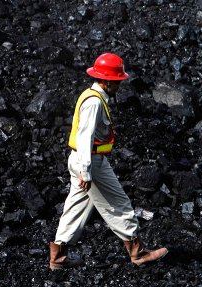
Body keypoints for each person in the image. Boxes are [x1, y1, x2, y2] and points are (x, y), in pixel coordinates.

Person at [49, 53, 169, 270]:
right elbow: (85, 137)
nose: (119, 86)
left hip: (80, 159)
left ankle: (58, 256)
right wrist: (86, 172)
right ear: (106, 80)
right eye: (117, 82)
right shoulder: (94, 102)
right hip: (90, 162)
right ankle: (138, 252)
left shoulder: (89, 95)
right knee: (118, 203)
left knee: (76, 205)